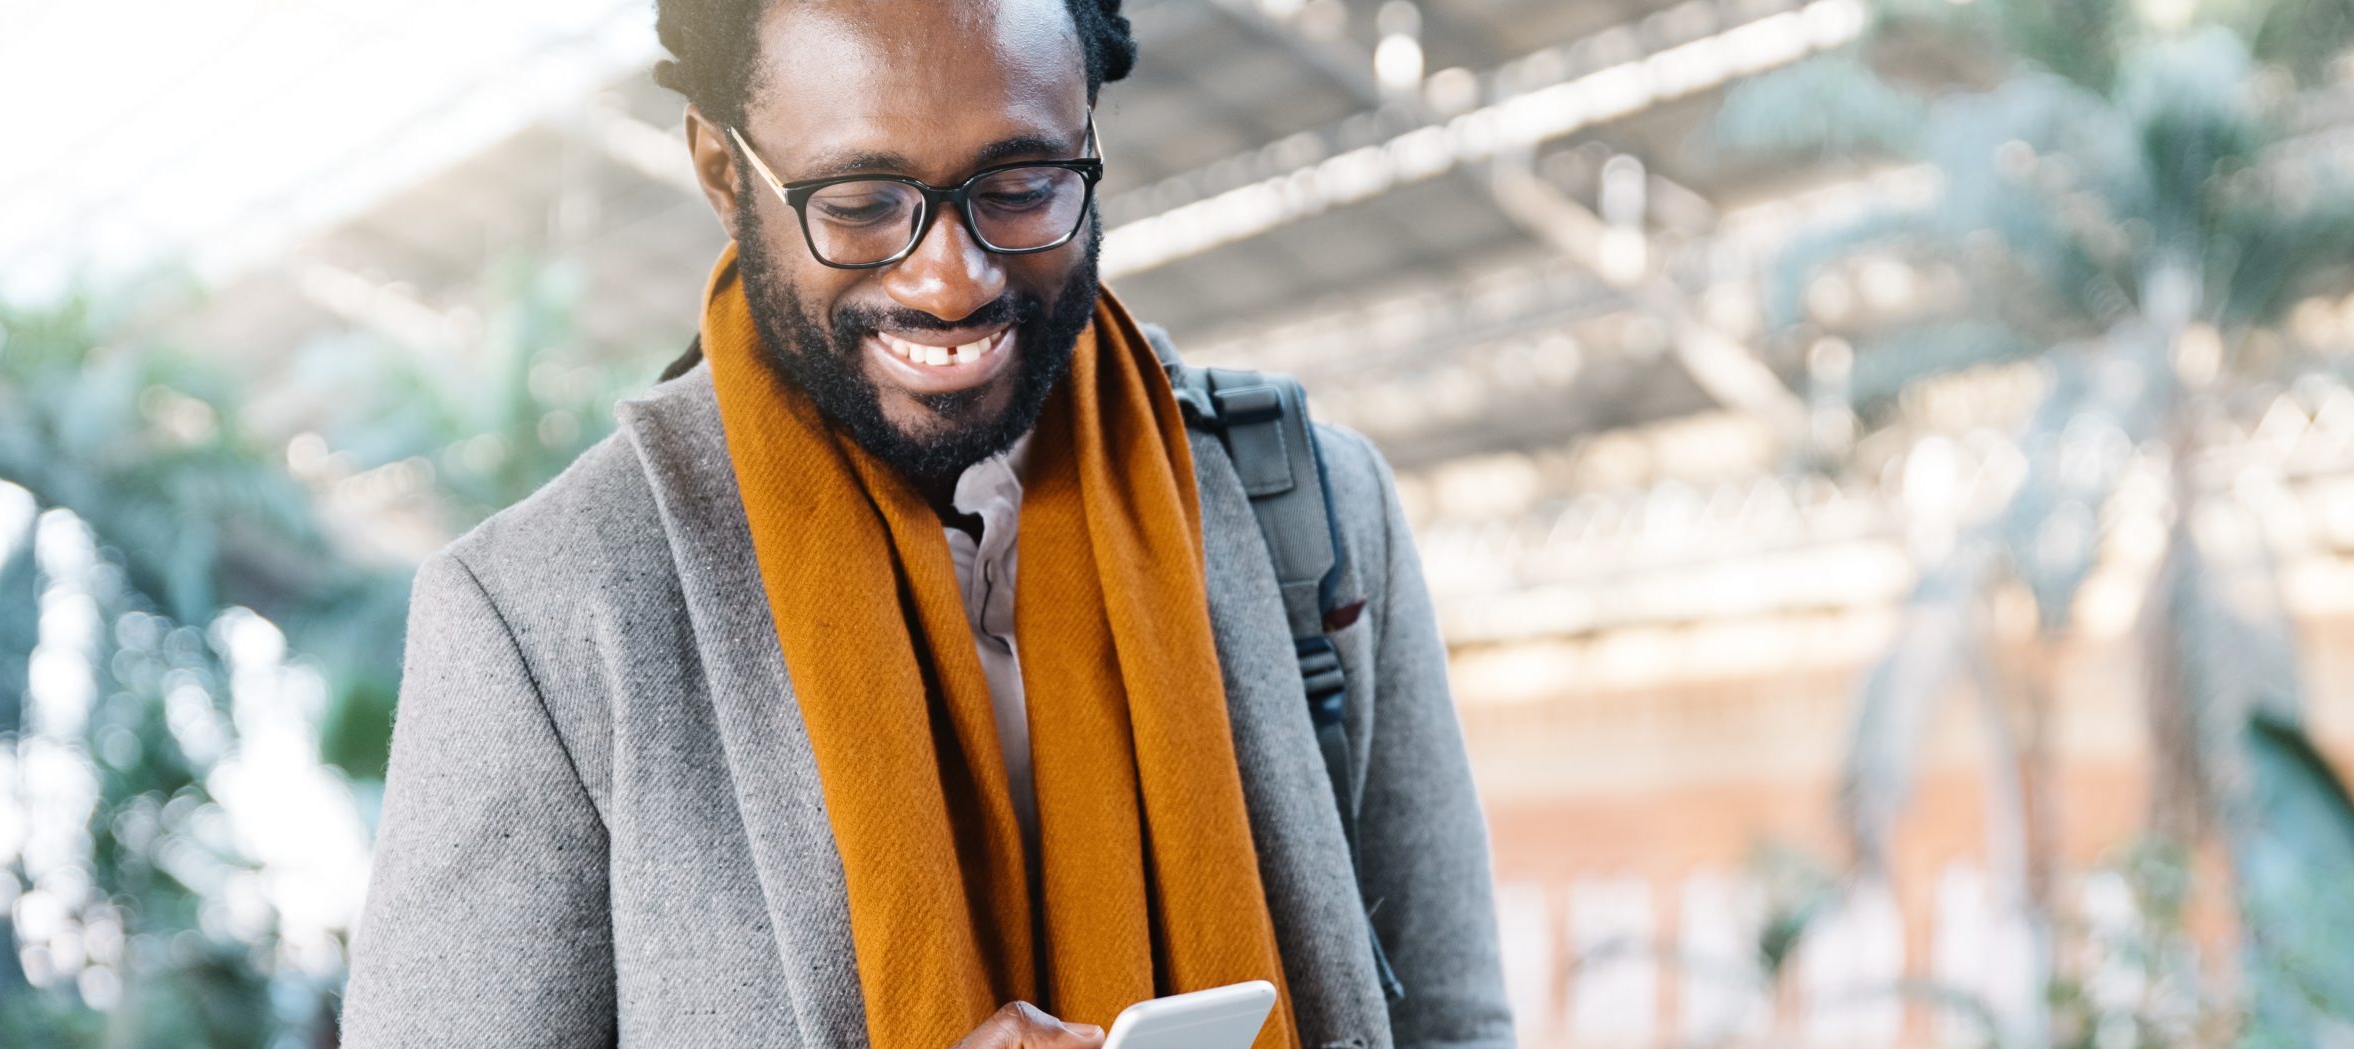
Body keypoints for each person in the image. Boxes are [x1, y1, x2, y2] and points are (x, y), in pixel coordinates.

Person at [337, 1, 1511, 1047]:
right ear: (718, 167)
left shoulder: (1310, 509)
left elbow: (1455, 1024)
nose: (952, 280)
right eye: (858, 203)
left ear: (1089, 137)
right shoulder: (543, 617)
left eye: (1021, 186)